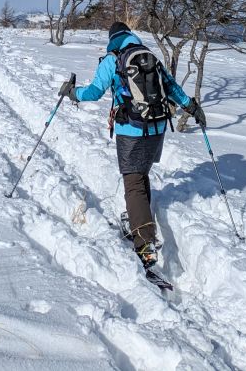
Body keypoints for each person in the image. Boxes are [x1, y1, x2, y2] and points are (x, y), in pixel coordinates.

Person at [59, 21, 206, 269]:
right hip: (158, 127)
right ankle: (141, 222)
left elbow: (94, 92)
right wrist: (191, 107)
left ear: (112, 38)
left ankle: (145, 243)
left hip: (131, 128)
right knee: (141, 174)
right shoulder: (150, 56)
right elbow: (172, 88)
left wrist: (72, 93)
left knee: (133, 180)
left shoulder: (113, 59)